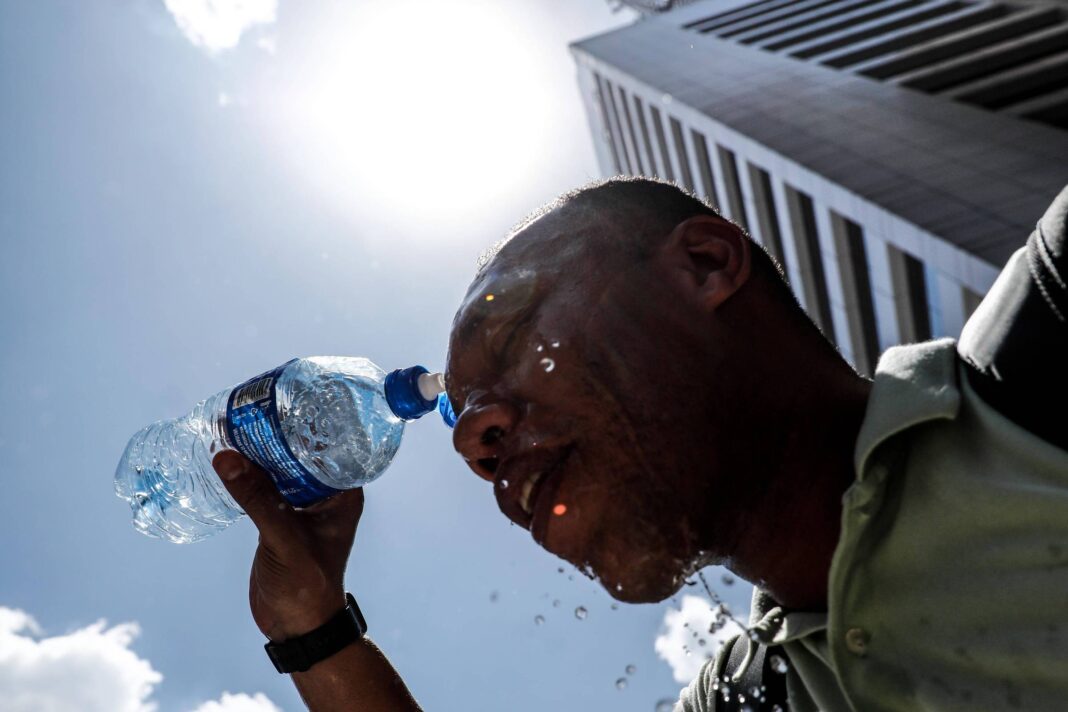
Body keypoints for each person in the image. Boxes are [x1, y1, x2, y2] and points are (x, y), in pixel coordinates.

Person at [211, 177, 1068, 711]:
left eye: (512, 335)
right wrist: (313, 628)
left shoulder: (1041, 359)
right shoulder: (758, 695)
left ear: (703, 265)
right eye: (463, 423)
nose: (475, 439)